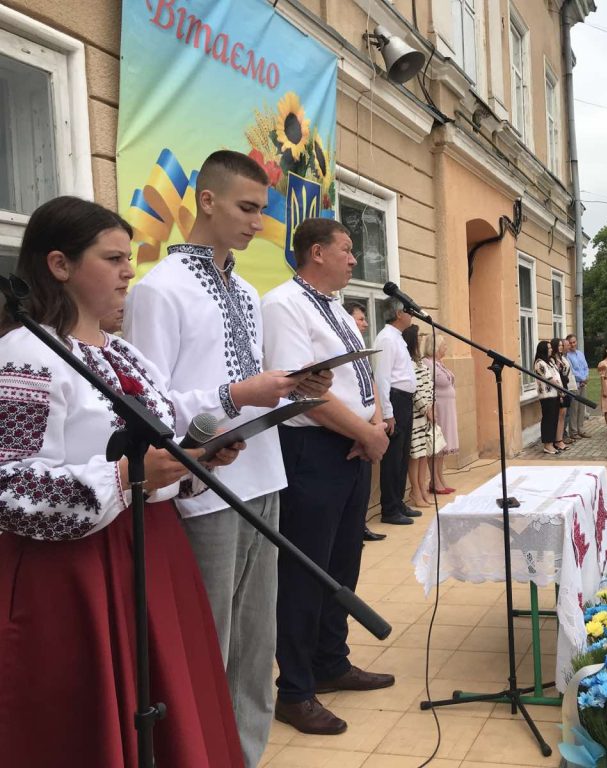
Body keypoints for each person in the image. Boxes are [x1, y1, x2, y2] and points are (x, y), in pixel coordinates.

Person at [0, 196, 247, 766]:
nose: (128, 271)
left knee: (167, 705)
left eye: (128, 258)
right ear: (60, 265)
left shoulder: (123, 355)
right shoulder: (25, 354)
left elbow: (151, 452)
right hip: (73, 572)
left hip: (153, 551)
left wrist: (192, 464)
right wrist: (124, 478)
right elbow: (8, 485)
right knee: (90, 722)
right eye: (112, 259)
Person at [122, 151, 330, 768]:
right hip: (205, 489)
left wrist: (293, 386)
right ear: (206, 201)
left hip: (265, 471)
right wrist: (239, 394)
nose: (257, 223)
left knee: (256, 640)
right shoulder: (158, 290)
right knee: (209, 638)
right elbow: (150, 405)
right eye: (246, 208)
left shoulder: (245, 290)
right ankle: (203, 755)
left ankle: (246, 755)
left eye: (262, 210)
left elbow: (248, 381)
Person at [261, 218, 393, 736]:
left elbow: (360, 376)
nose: (354, 259)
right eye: (346, 249)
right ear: (316, 252)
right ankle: (295, 691)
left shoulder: (336, 307)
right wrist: (367, 433)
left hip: (351, 447)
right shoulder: (283, 305)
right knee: (305, 573)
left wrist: (374, 425)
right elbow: (303, 392)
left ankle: (331, 662)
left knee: (341, 565)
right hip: (312, 452)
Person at [373, 298, 421, 525]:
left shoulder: (397, 337)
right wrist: (387, 413)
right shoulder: (386, 338)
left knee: (402, 454)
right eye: (408, 311)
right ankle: (390, 509)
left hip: (404, 399)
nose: (411, 315)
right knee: (393, 457)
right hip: (395, 399)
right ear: (398, 314)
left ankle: (399, 502)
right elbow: (382, 378)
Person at [344, 300, 386, 542]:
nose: (366, 324)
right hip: (350, 431)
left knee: (364, 485)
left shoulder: (360, 344)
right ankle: (355, 530)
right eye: (360, 319)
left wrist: (377, 424)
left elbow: (371, 383)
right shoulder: (341, 345)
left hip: (369, 428)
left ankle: (361, 527)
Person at [405, 324, 447, 505]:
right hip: (417, 415)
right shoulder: (408, 362)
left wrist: (432, 407)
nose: (421, 339)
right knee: (415, 455)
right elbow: (413, 390)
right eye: (418, 336)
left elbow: (429, 386)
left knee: (424, 454)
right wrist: (426, 409)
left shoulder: (420, 362)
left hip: (426, 415)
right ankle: (415, 491)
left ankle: (422, 489)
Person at [421, 333, 458, 492]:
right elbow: (427, 387)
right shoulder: (427, 363)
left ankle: (440, 478)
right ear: (435, 347)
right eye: (444, 345)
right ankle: (434, 481)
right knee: (436, 445)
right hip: (438, 409)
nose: (446, 348)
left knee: (441, 446)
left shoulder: (439, 363)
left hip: (447, 408)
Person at [534, 341, 563, 454]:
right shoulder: (540, 363)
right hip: (547, 396)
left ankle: (552, 443)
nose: (551, 349)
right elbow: (549, 379)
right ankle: (547, 444)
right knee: (548, 419)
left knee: (554, 419)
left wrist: (560, 392)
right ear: (544, 350)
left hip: (555, 394)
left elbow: (556, 376)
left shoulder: (549, 362)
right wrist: (561, 390)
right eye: (549, 348)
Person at [551, 337, 574, 449]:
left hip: (564, 386)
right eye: (559, 345)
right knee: (559, 415)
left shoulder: (561, 357)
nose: (561, 347)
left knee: (563, 414)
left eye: (562, 345)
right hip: (558, 388)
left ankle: (559, 439)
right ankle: (557, 440)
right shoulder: (552, 359)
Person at [565, 333, 590, 438]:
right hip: (575, 384)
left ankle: (581, 429)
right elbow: (572, 371)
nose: (572, 344)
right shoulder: (567, 356)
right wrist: (582, 379)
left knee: (581, 407)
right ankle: (573, 432)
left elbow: (585, 367)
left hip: (583, 384)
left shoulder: (580, 354)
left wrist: (586, 377)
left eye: (574, 342)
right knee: (574, 409)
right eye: (570, 343)